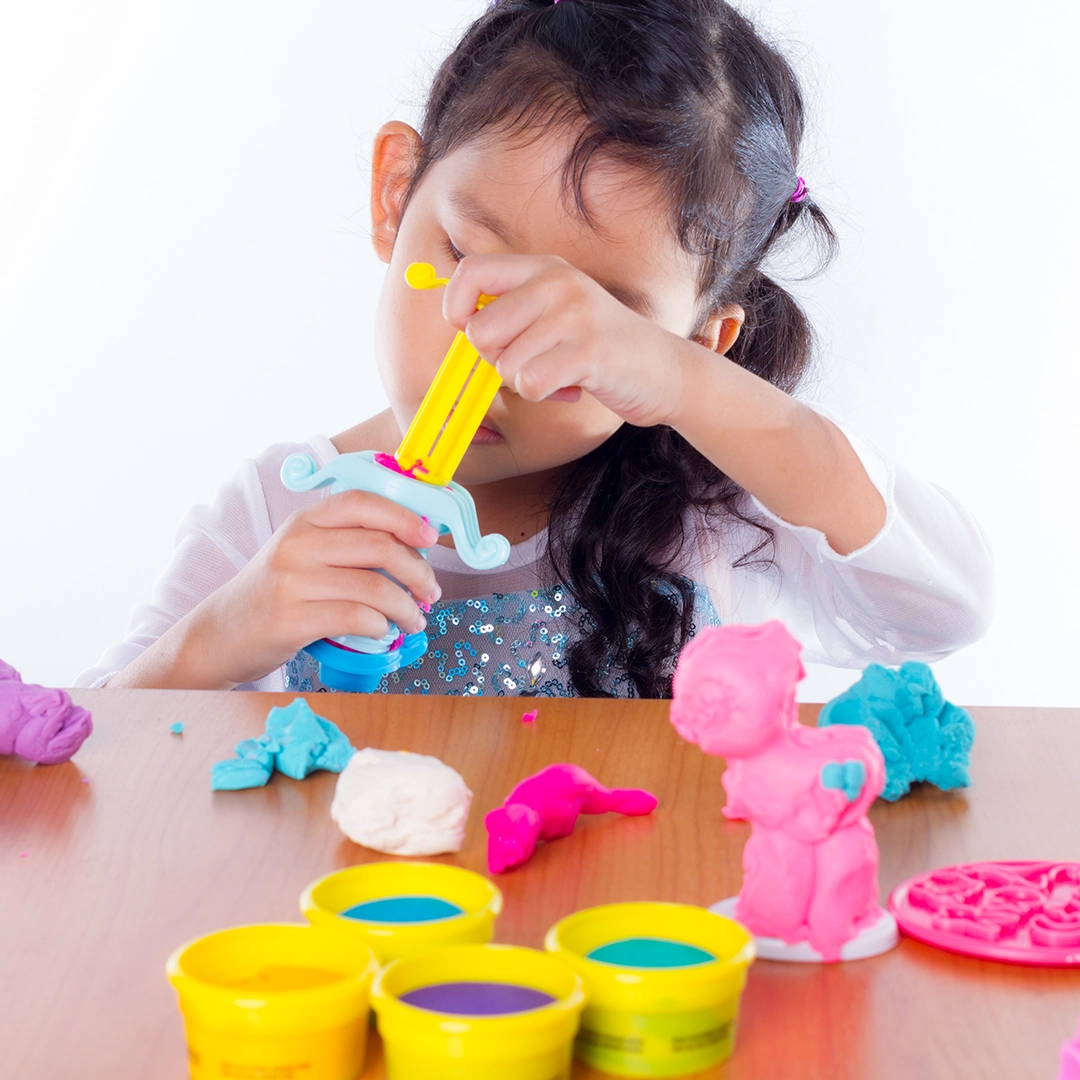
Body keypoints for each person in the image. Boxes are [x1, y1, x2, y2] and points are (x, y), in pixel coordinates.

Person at [77, 0, 993, 698]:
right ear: (395, 195)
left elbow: (948, 607)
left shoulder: (715, 520)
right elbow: (89, 773)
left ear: (694, 347)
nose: (494, 348)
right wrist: (219, 640)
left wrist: (686, 387)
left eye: (597, 320)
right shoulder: (272, 513)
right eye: (467, 256)